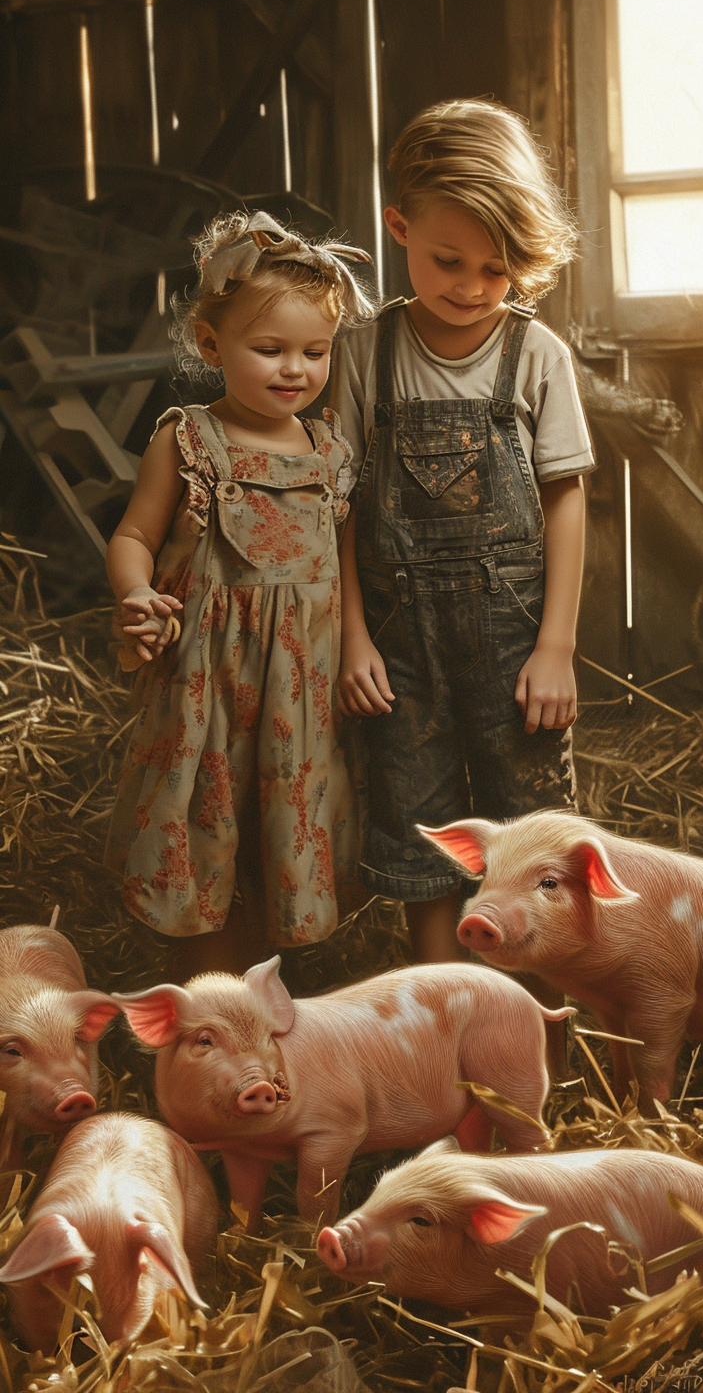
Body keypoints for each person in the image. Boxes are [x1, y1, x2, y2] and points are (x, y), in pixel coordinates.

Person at [332, 98, 595, 972]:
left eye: (500, 267)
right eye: (450, 260)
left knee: (530, 839)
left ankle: (538, 1031)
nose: (475, 285)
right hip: (400, 650)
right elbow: (340, 503)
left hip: (513, 643)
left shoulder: (537, 356)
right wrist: (353, 634)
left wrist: (555, 645)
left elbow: (564, 498)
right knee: (423, 834)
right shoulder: (362, 353)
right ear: (399, 226)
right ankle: (444, 1021)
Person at [105, 211, 375, 980]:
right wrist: (134, 593)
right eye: (271, 350)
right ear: (211, 345)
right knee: (204, 828)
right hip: (207, 691)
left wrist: (357, 643)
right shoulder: (188, 440)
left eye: (314, 352)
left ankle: (272, 996)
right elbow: (132, 537)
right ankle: (209, 996)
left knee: (282, 827)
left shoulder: (330, 452)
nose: (296, 369)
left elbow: (343, 559)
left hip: (302, 695)